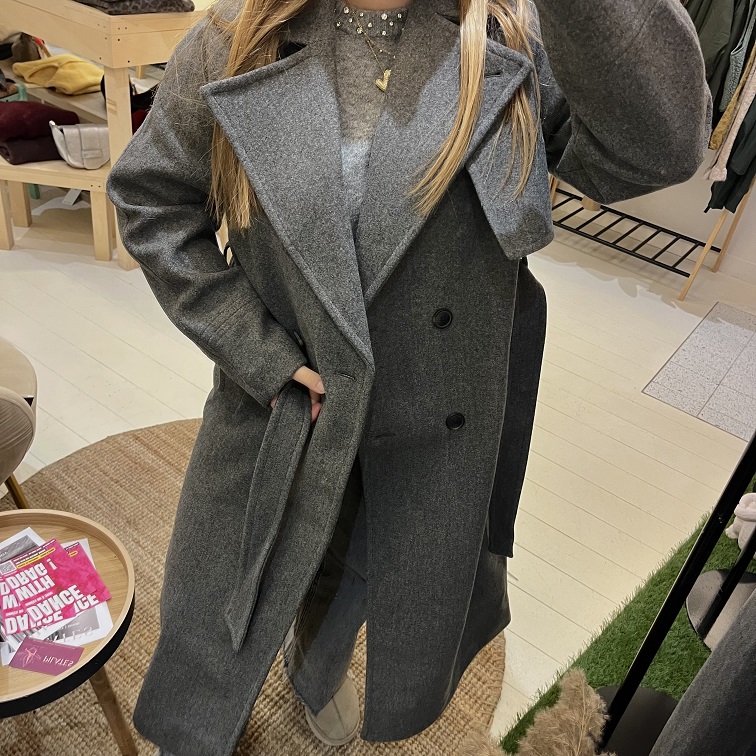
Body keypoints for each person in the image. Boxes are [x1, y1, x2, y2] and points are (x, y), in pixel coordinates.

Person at [105, 0, 710, 753]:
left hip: (435, 417)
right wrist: (258, 351)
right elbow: (152, 198)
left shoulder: (512, 42)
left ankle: (314, 667)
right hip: (289, 401)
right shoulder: (237, 39)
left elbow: (657, 149)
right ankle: (200, 725)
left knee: (364, 565)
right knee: (227, 582)